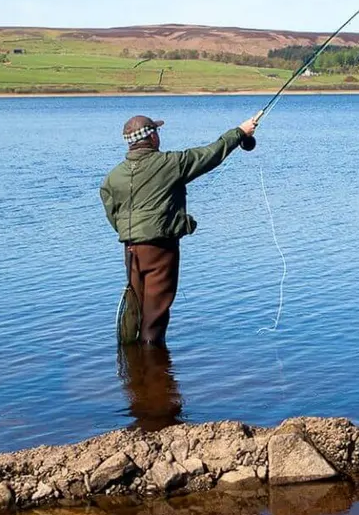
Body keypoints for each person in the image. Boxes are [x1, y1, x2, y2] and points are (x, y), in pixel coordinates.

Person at [101, 112, 259, 344]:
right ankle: (152, 360)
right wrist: (240, 132)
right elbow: (211, 154)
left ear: (131, 143)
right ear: (152, 137)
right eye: (156, 131)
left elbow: (112, 212)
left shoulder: (112, 177)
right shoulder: (171, 163)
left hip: (131, 251)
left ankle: (134, 364)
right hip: (160, 250)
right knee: (154, 318)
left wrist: (130, 232)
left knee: (138, 311)